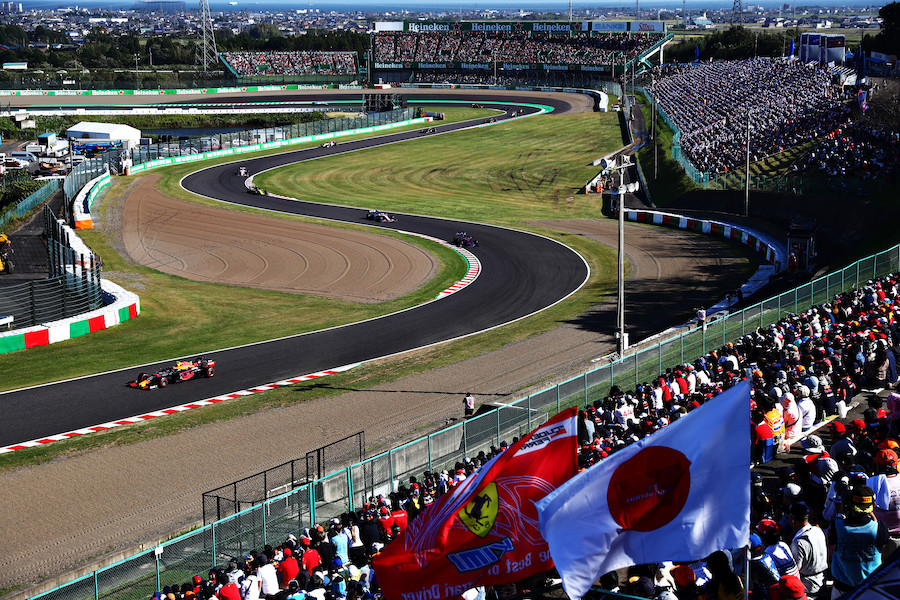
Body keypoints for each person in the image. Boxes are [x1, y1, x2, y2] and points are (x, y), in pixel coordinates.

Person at [829, 485, 888, 597]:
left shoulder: (836, 525)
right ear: (874, 505)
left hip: (842, 590)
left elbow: (831, 542)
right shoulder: (880, 528)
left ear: (850, 504)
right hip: (870, 589)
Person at [787, 503, 827, 597]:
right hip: (822, 581)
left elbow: (795, 570)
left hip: (808, 588)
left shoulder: (798, 542)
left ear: (793, 520)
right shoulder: (817, 530)